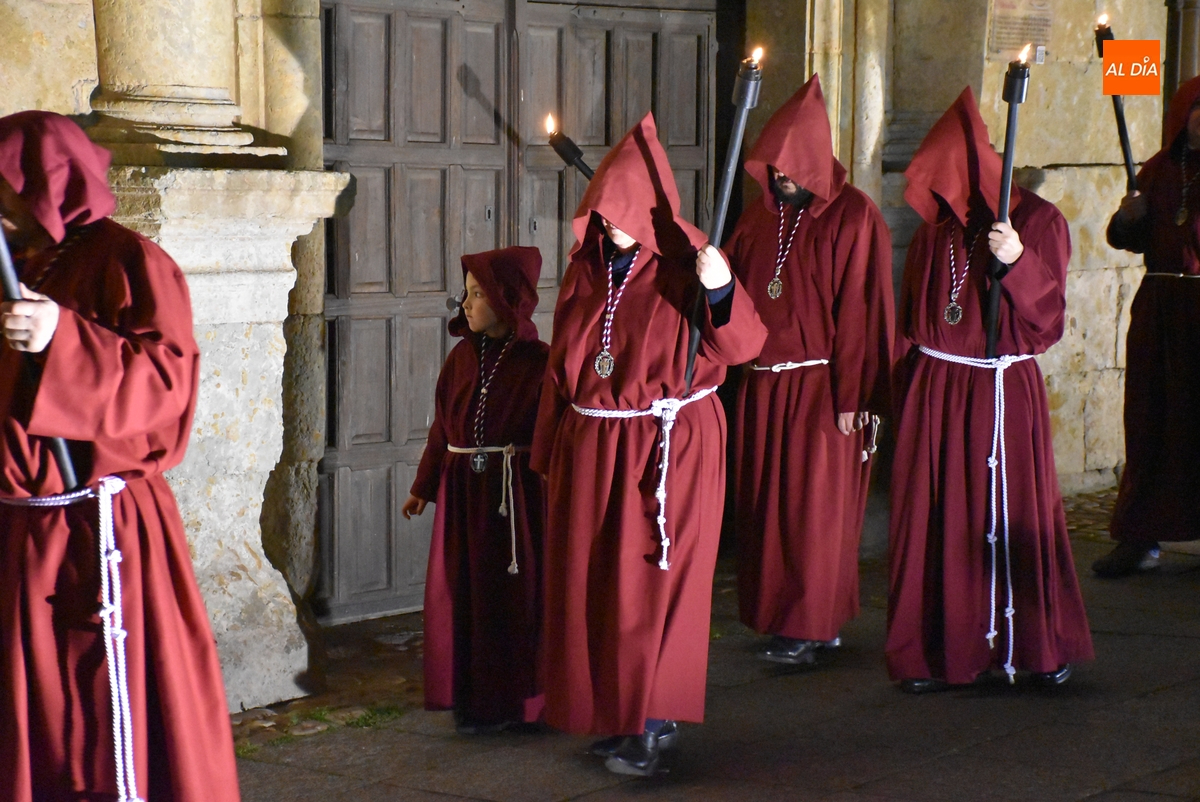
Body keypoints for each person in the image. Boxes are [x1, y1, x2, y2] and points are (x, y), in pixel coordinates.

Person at [0, 111, 239, 800]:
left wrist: (62, 336)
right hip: (18, 530)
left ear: (48, 183)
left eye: (7, 189)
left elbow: (165, 385)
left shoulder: (129, 261)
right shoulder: (13, 260)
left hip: (99, 527)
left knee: (106, 714)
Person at [530, 112, 767, 776]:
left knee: (654, 587)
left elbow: (743, 345)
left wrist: (720, 289)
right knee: (598, 586)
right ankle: (614, 711)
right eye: (602, 213)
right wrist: (549, 451)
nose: (608, 225)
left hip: (667, 448)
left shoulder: (687, 267)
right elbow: (560, 368)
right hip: (594, 446)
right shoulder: (587, 270)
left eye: (620, 211)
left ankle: (653, 721)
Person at [885, 88, 1093, 693]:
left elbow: (1048, 321)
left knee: (1014, 513)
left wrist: (1020, 261)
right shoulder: (935, 229)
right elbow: (912, 317)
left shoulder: (1038, 221)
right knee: (935, 522)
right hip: (936, 387)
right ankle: (934, 651)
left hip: (1000, 385)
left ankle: (1034, 644)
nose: (939, 195)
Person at [725, 75, 894, 665]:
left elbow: (861, 311)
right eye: (774, 166)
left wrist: (854, 396)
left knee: (813, 514)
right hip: (763, 385)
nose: (781, 176)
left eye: (792, 166)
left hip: (823, 389)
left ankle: (813, 624)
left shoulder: (853, 216)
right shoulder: (756, 219)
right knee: (767, 510)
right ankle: (780, 617)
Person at [402, 246, 548, 733]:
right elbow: (442, 428)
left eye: (478, 295)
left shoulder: (539, 362)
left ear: (508, 299)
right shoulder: (461, 358)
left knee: (514, 598)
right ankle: (473, 702)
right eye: (465, 294)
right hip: (464, 494)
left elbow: (553, 430)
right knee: (467, 594)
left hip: (516, 498)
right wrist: (424, 486)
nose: (465, 304)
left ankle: (521, 704)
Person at [1096, 75, 1200, 577]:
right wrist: (1128, 217)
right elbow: (1127, 239)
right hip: (1159, 308)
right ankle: (1139, 537)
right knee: (1149, 421)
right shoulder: (1158, 170)